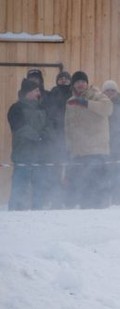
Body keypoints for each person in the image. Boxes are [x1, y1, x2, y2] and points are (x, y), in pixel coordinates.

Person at [64, 71, 113, 208]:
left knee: (97, 190)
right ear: (73, 85)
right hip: (79, 153)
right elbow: (68, 127)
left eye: (83, 81)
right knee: (82, 190)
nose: (80, 84)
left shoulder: (97, 95)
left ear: (87, 83)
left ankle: (100, 217)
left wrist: (86, 103)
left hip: (97, 152)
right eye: (77, 82)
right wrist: (69, 148)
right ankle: (86, 220)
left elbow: (108, 108)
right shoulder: (70, 102)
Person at [6, 79, 49, 210]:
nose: (38, 93)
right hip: (22, 157)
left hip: (40, 158)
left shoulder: (42, 108)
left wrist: (46, 134)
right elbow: (19, 128)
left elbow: (48, 125)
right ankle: (15, 214)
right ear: (27, 92)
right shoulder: (16, 108)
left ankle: (39, 214)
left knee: (40, 190)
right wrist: (38, 136)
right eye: (36, 90)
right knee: (19, 188)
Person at [41, 71, 72, 208]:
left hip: (71, 137)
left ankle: (68, 199)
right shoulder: (52, 94)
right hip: (55, 137)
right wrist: (52, 134)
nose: (63, 80)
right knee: (54, 170)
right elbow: (47, 114)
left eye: (66, 78)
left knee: (70, 170)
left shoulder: (74, 95)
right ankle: (54, 199)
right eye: (60, 78)